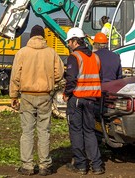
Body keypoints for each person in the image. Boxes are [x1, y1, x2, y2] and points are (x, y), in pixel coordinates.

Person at [9, 25, 65, 176]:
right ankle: (44, 166)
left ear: (31, 37)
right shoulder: (51, 52)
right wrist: (51, 80)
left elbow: (15, 76)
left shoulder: (22, 53)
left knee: (27, 132)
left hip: (26, 96)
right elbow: (59, 73)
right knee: (43, 131)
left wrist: (13, 96)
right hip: (45, 96)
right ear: (43, 37)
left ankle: (27, 166)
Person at [64, 27, 104, 175]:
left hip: (77, 98)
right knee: (89, 131)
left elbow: (71, 79)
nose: (68, 44)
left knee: (76, 131)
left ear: (75, 41)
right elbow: (99, 77)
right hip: (91, 99)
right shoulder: (95, 57)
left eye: (69, 41)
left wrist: (67, 94)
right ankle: (97, 165)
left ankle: (81, 165)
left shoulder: (74, 57)